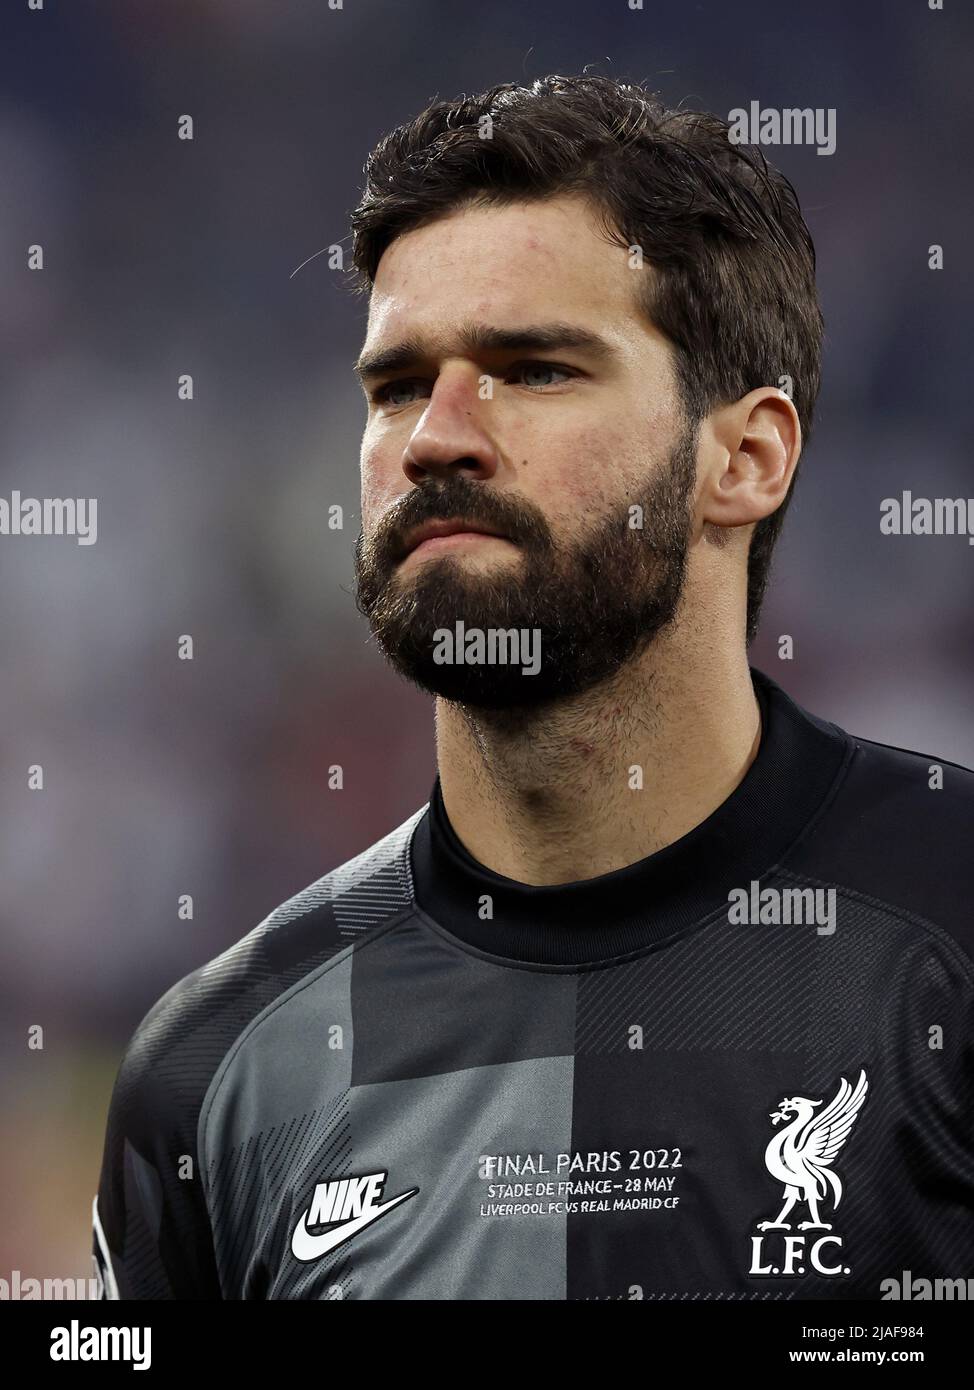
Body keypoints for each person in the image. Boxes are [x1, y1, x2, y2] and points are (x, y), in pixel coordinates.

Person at [93, 74, 974, 1301]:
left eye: (535, 368)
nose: (434, 436)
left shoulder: (944, 938)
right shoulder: (218, 1065)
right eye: (397, 385)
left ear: (747, 457)